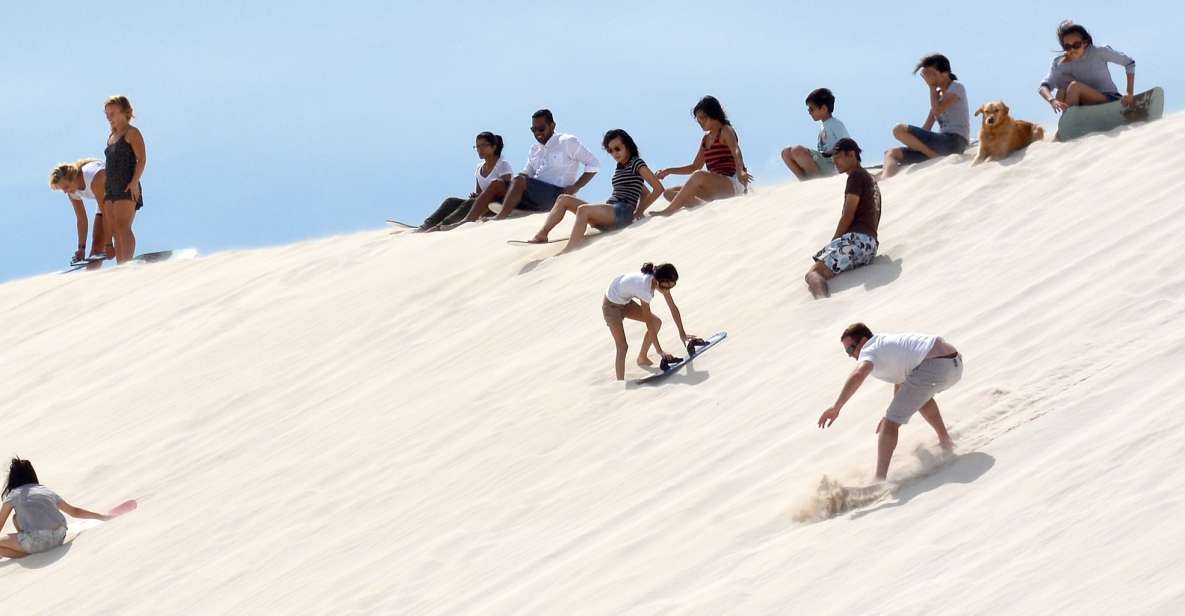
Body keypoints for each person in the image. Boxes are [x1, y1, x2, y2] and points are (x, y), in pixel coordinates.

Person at [817, 323, 963, 481]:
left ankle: (879, 480)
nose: (851, 355)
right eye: (847, 352)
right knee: (918, 396)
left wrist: (836, 407)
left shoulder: (869, 349)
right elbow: (903, 384)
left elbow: (858, 374)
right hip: (955, 364)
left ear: (863, 341)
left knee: (890, 422)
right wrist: (892, 413)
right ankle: (945, 441)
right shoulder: (886, 343)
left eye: (851, 350)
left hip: (935, 366)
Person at [528, 129, 663, 251]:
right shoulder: (621, 167)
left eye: (617, 148)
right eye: (610, 150)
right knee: (563, 199)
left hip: (621, 212)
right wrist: (639, 208)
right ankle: (542, 234)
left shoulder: (636, 163)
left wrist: (638, 212)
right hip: (610, 211)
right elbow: (642, 191)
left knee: (583, 210)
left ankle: (570, 250)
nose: (614, 153)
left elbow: (658, 188)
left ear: (627, 145)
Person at [464, 109, 599, 223]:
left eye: (541, 128)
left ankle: (500, 218)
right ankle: (466, 222)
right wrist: (509, 185)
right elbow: (526, 172)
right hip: (533, 196)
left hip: (556, 195)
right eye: (533, 129)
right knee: (497, 184)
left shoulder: (567, 141)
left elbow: (593, 163)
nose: (537, 133)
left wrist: (576, 186)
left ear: (552, 125)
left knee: (518, 180)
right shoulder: (535, 149)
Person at [805, 139, 882, 299]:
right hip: (870, 246)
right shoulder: (870, 179)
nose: (834, 161)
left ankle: (823, 306)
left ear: (852, 154)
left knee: (814, 273)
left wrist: (835, 240)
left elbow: (848, 215)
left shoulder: (855, 176)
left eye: (838, 156)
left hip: (856, 240)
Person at [650, 96, 751, 216]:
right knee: (669, 193)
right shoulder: (706, 140)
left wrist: (741, 171)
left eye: (703, 118)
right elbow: (694, 166)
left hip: (732, 183)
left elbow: (736, 151)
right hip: (715, 188)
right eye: (698, 120)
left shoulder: (725, 130)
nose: (700, 122)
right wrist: (669, 171)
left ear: (714, 114)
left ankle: (668, 211)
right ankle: (705, 208)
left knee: (698, 176)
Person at [1, 458, 111, 558]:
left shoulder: (13, 495)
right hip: (59, 537)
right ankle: (27, 548)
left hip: (36, 541)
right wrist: (102, 517)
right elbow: (74, 512)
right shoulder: (45, 490)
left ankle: (25, 554)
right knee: (16, 518)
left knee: (16, 521)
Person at [602, 263, 695, 381]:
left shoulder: (659, 278)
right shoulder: (644, 289)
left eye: (671, 286)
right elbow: (648, 322)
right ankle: (619, 383)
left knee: (657, 322)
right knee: (622, 347)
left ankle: (642, 357)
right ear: (657, 281)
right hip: (611, 306)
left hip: (625, 301)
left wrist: (682, 333)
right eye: (666, 286)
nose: (668, 290)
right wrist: (660, 351)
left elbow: (673, 307)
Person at [882, 54, 970, 179]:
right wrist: (912, 144)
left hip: (954, 142)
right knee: (891, 153)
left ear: (944, 73)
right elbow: (926, 128)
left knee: (899, 129)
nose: (928, 78)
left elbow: (937, 109)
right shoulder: (937, 97)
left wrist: (931, 87)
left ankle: (933, 156)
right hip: (939, 145)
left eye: (931, 73)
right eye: (926, 75)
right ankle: (886, 182)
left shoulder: (957, 87)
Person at [419, 132, 513, 232]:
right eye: (477, 146)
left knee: (472, 202)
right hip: (480, 204)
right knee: (451, 201)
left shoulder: (503, 165)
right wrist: (476, 195)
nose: (479, 149)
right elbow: (479, 193)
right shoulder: (479, 168)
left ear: (494, 147)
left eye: (483, 145)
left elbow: (506, 189)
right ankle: (425, 226)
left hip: (494, 207)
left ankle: (442, 226)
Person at [1039, 21, 1137, 113]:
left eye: (1076, 45)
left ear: (1085, 43)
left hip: (1110, 99)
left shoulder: (1098, 52)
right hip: (1085, 106)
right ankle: (1069, 125)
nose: (1072, 50)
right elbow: (1044, 87)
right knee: (1061, 93)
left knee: (1074, 87)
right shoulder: (1060, 64)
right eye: (1067, 47)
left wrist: (1129, 93)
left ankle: (1071, 124)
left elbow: (1129, 63)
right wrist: (1052, 100)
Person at [103, 95, 146, 263]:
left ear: (124, 112)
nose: (109, 117)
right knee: (114, 230)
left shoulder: (132, 132)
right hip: (111, 187)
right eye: (107, 114)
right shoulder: (111, 137)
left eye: (112, 113)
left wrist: (134, 182)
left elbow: (141, 159)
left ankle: (127, 263)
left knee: (123, 226)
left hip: (127, 183)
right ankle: (120, 265)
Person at [49, 158, 114, 266]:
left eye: (65, 187)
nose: (65, 192)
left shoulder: (92, 177)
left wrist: (109, 244)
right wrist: (81, 248)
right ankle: (90, 280)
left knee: (119, 232)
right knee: (97, 245)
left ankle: (126, 265)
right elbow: (81, 219)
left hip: (122, 192)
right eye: (62, 190)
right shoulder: (72, 192)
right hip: (105, 201)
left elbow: (107, 215)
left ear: (73, 177)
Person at [782, 88, 851, 180]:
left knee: (797, 150)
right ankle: (805, 181)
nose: (809, 112)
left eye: (812, 109)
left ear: (823, 108)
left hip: (833, 165)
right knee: (786, 153)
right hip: (823, 163)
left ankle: (815, 181)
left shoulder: (836, 124)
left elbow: (848, 146)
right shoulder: (823, 126)